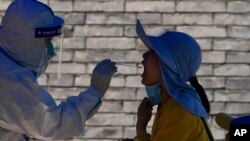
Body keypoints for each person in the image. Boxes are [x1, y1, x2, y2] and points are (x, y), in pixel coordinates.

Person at [0, 0, 117, 140]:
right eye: (47, 41)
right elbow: (51, 126)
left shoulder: (9, 61)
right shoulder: (7, 79)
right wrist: (94, 92)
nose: (50, 48)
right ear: (27, 43)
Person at [122, 20, 213, 141]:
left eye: (153, 51)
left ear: (167, 66)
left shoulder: (179, 111)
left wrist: (141, 129)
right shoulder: (169, 105)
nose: (145, 55)